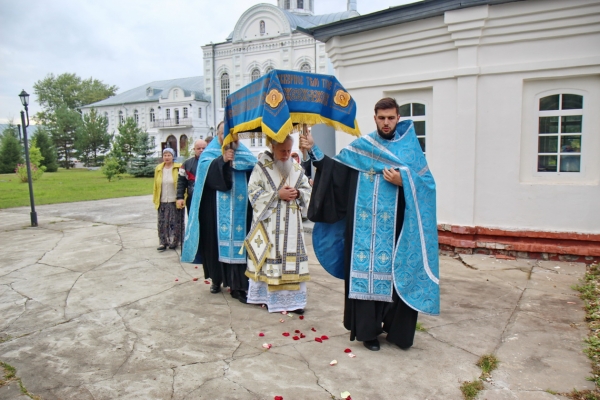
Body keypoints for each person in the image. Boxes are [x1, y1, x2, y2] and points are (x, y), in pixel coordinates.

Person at [300, 97, 439, 351]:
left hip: (397, 231)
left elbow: (428, 186)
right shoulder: (363, 147)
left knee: (396, 279)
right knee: (366, 278)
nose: (386, 123)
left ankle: (397, 331)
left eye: (391, 118)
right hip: (363, 231)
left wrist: (403, 181)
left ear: (398, 118)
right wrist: (314, 149)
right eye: (382, 118)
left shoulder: (409, 150)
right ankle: (368, 333)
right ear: (375, 118)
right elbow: (335, 171)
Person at [181, 122, 257, 303]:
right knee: (215, 245)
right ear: (218, 135)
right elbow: (206, 179)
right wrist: (222, 161)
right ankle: (217, 279)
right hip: (214, 211)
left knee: (239, 246)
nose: (229, 138)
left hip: (240, 210)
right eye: (224, 134)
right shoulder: (209, 154)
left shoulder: (246, 154)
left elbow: (256, 173)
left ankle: (238, 286)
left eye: (233, 134)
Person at [245, 135, 312, 313]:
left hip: (292, 226)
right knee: (271, 261)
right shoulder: (261, 167)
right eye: (283, 151)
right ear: (273, 148)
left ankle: (295, 303)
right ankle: (268, 298)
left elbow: (307, 190)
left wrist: (298, 193)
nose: (286, 155)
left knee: (292, 262)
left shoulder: (296, 168)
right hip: (270, 225)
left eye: (289, 151)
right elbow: (253, 192)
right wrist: (276, 195)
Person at [153, 148, 184, 251]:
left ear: (173, 156)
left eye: (169, 155)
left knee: (175, 222)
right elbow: (156, 186)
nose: (166, 157)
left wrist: (182, 197)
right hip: (162, 200)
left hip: (174, 200)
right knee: (162, 222)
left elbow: (182, 184)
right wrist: (155, 199)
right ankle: (163, 242)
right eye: (165, 155)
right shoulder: (158, 168)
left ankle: (174, 242)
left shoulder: (178, 167)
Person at [177, 139, 207, 215]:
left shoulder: (213, 162)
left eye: (204, 148)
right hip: (192, 199)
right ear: (194, 149)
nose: (201, 150)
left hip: (208, 199)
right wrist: (180, 197)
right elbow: (181, 182)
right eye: (198, 148)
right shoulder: (186, 164)